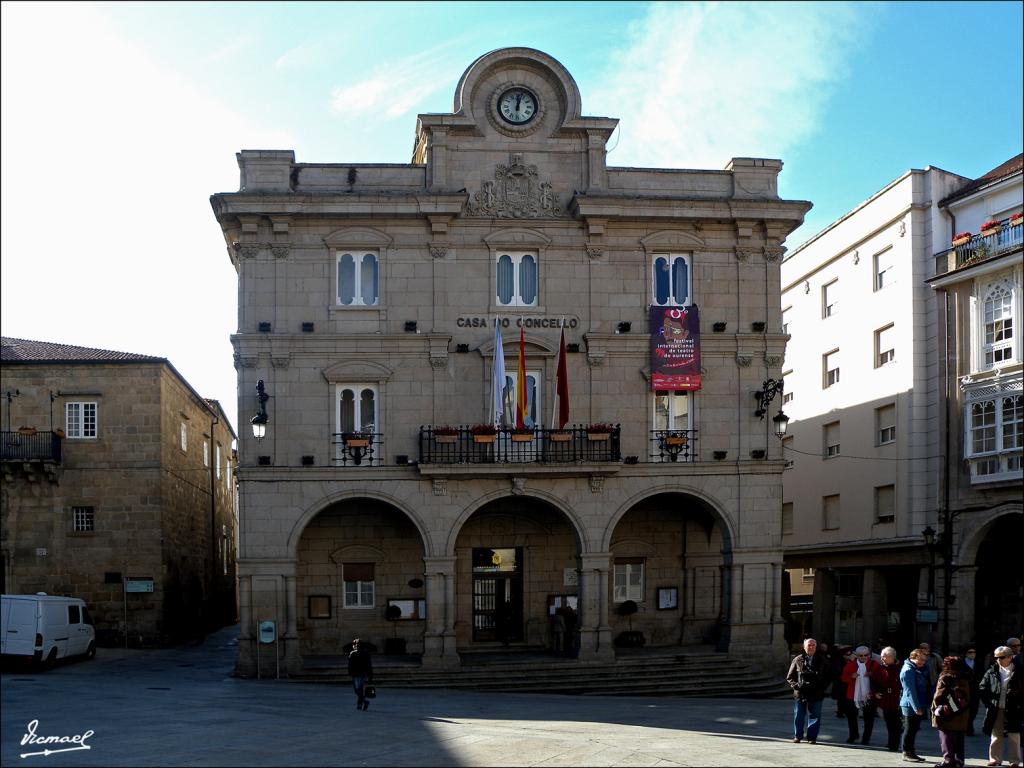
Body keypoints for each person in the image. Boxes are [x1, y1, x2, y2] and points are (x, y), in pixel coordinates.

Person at [979, 645, 1022, 767]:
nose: (998, 660)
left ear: (1010, 657)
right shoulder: (992, 671)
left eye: (1001, 657)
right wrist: (989, 703)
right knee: (996, 734)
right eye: (996, 657)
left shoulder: (1019, 671)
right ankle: (995, 759)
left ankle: (1014, 761)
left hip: (1014, 708)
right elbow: (982, 687)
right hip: (996, 707)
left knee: (1014, 734)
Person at [932, 655, 972, 768]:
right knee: (959, 738)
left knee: (946, 738)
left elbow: (939, 696)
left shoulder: (946, 677)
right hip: (962, 712)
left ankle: (948, 760)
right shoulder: (967, 677)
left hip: (947, 712)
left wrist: (936, 709)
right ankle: (959, 761)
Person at [786, 637, 828, 744]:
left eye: (813, 645)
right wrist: (797, 686)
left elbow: (829, 675)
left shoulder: (822, 660)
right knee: (799, 715)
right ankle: (798, 736)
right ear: (804, 647)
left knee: (815, 716)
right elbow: (790, 677)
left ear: (816, 647)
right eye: (809, 645)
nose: (811, 647)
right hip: (801, 693)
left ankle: (812, 738)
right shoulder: (797, 659)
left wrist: (822, 687)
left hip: (816, 693)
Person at [841, 644, 880, 744]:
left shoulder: (874, 664)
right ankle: (853, 735)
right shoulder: (851, 664)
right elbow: (843, 678)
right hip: (853, 695)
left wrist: (872, 674)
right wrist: (851, 676)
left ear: (869, 655)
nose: (863, 657)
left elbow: (881, 677)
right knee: (851, 716)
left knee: (869, 718)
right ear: (857, 655)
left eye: (866, 655)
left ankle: (866, 738)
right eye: (861, 655)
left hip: (869, 695)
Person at [900, 648, 930, 762]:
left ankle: (911, 752)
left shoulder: (915, 668)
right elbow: (910, 691)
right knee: (909, 729)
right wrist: (917, 707)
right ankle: (906, 752)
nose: (923, 662)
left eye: (924, 660)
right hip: (910, 705)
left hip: (916, 704)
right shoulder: (908, 670)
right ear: (913, 657)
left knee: (914, 729)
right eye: (921, 659)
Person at [874, 646, 905, 752]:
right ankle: (891, 741)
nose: (882, 658)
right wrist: (876, 692)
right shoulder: (880, 668)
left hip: (897, 699)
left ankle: (894, 743)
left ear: (892, 657)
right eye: (882, 656)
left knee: (896, 723)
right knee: (888, 721)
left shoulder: (900, 667)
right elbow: (875, 681)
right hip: (886, 699)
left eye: (884, 656)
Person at [347, 637, 373, 711]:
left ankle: (361, 703)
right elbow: (369, 665)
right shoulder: (357, 653)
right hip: (359, 673)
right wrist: (370, 674)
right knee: (358, 689)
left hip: (358, 673)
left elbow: (350, 664)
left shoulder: (357, 653)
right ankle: (362, 702)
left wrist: (370, 674)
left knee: (358, 689)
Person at [965, 644, 984, 736]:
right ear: (966, 653)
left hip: (975, 689)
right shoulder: (961, 663)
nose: (972, 654)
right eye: (970, 652)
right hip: (964, 689)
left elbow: (982, 675)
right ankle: (968, 727)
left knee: (974, 709)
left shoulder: (978, 663)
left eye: (974, 652)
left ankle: (969, 724)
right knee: (965, 708)